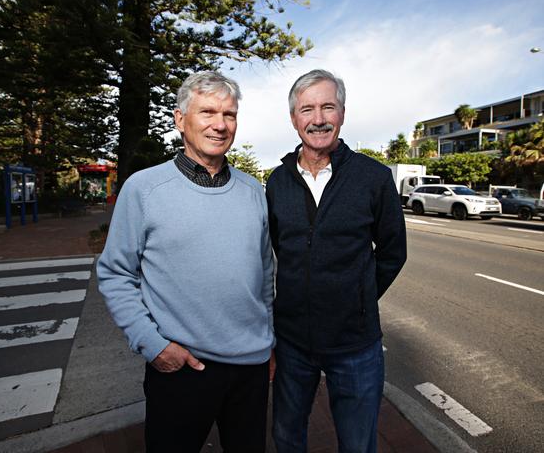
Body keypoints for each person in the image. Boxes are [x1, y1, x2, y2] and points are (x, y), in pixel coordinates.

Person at [97, 71, 275, 452]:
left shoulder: (253, 191)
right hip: (181, 367)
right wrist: (152, 344)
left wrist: (269, 341)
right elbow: (115, 273)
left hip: (251, 368)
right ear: (180, 119)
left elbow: (264, 275)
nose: (220, 124)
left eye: (229, 114)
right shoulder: (143, 189)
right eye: (208, 112)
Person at [266, 69, 407, 453]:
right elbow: (279, 250)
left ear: (342, 113)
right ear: (294, 118)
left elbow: (393, 252)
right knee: (286, 436)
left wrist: (357, 299)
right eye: (307, 109)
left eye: (328, 107)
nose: (318, 119)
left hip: (355, 344)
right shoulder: (277, 182)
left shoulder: (374, 178)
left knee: (358, 444)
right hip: (292, 342)